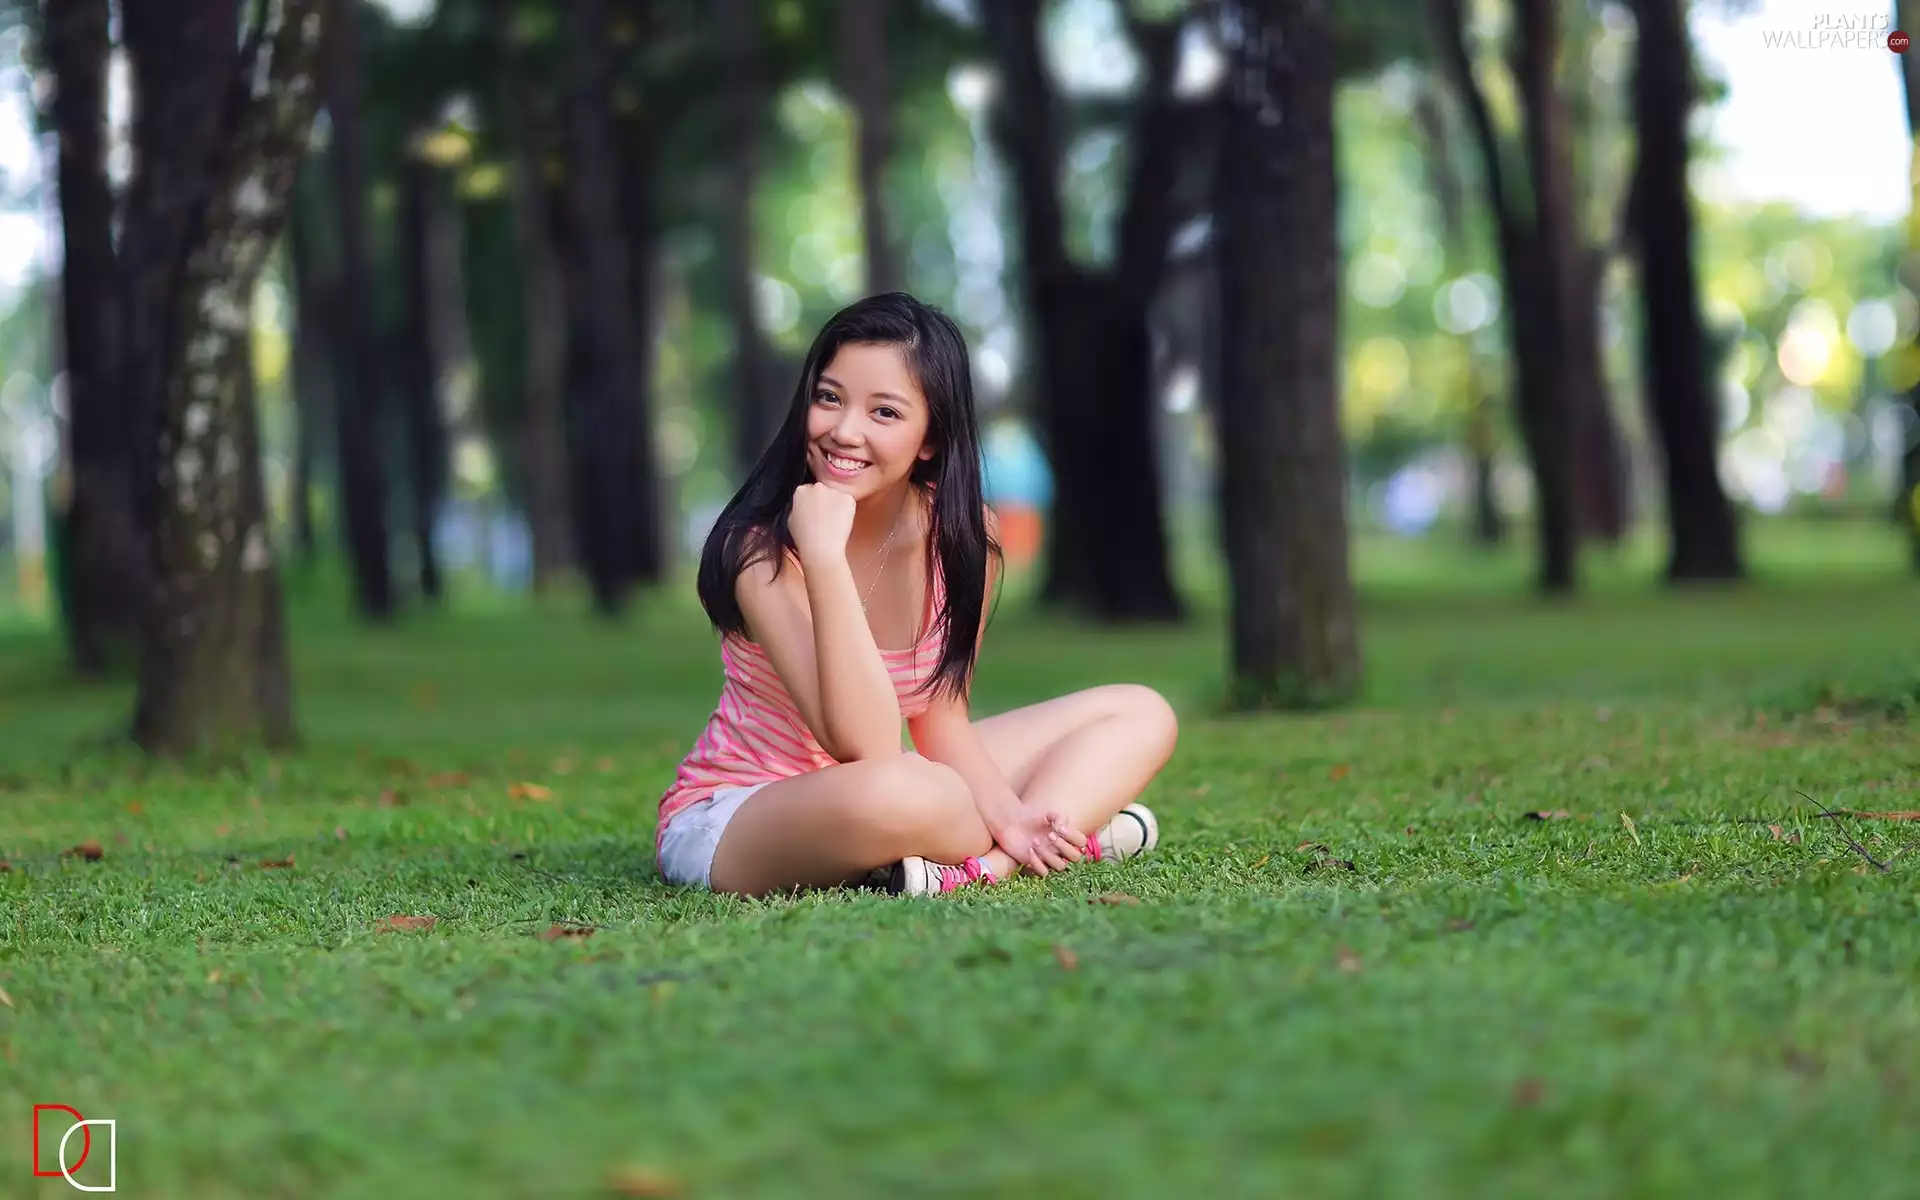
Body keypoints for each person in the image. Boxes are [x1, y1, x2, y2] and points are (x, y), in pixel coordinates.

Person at [654, 293, 1179, 897]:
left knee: (1140, 711)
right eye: (829, 398)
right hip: (744, 813)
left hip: (903, 782)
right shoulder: (759, 553)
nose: (844, 431)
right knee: (907, 790)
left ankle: (995, 861)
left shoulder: (965, 536)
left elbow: (942, 720)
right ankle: (1070, 831)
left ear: (931, 438)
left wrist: (1005, 811)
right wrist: (823, 557)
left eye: (884, 412)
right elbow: (867, 745)